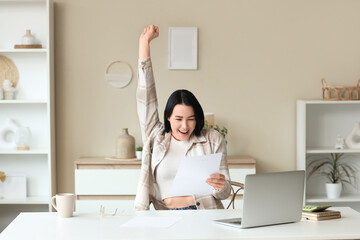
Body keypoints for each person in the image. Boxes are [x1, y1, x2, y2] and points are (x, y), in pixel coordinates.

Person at [135, 24, 231, 210]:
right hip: (166, 216)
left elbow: (225, 193)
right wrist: (144, 44)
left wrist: (221, 185)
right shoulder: (156, 137)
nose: (185, 126)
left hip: (204, 213)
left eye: (191, 118)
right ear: (168, 118)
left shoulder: (213, 139)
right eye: (178, 119)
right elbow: (146, 96)